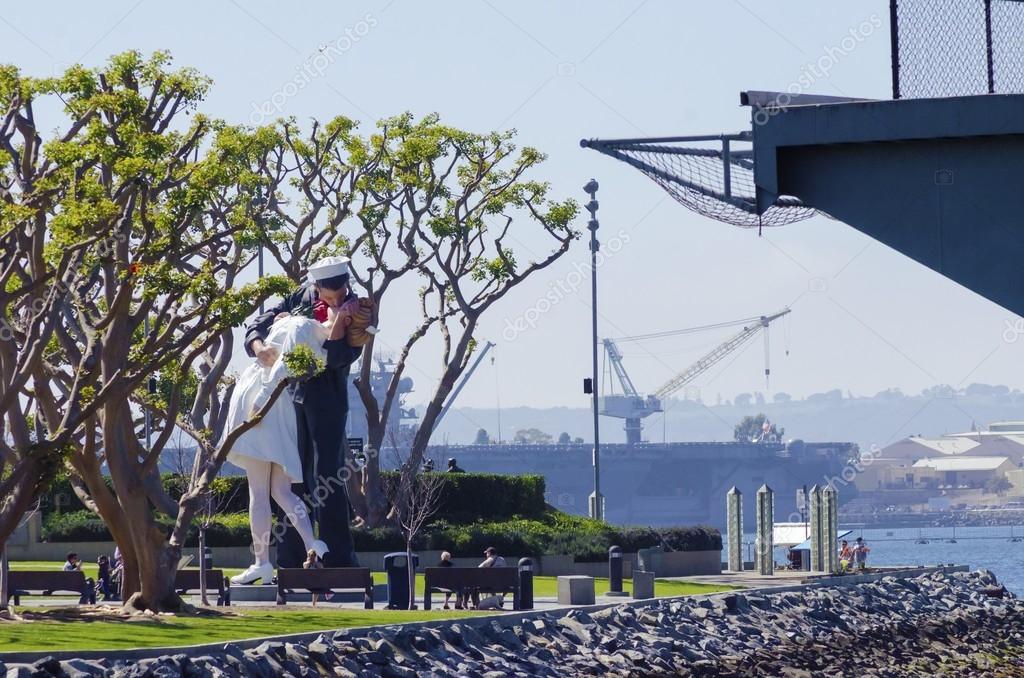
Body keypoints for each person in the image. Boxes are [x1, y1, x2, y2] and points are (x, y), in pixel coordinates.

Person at [240, 255, 367, 571]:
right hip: (289, 398)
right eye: (329, 295)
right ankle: (290, 555)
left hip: (328, 401)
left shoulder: (357, 310)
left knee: (329, 475)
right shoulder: (300, 296)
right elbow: (258, 324)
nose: (336, 299)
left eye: (340, 293)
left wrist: (338, 322)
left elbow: (340, 357)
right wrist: (259, 347)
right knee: (292, 473)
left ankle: (339, 556)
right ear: (316, 286)